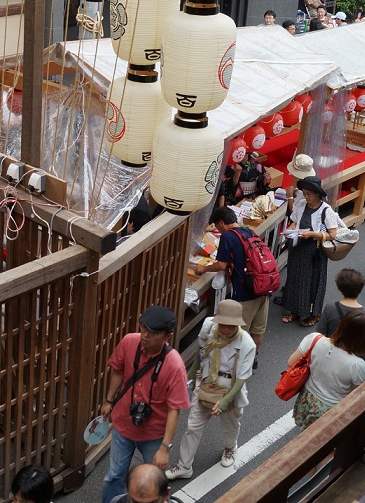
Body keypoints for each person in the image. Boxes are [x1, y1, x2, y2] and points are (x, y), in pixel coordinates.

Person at [99, 306, 189, 503]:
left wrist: (165, 448)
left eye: (154, 332)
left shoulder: (174, 365)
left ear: (168, 336)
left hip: (153, 434)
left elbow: (175, 409)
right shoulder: (129, 341)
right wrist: (108, 400)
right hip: (123, 424)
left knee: (154, 482)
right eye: (143, 328)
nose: (145, 335)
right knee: (114, 476)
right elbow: (118, 370)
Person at [164, 300, 256, 481]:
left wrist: (226, 401)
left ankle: (230, 448)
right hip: (207, 381)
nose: (227, 328)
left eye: (231, 325)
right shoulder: (209, 327)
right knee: (192, 427)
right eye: (223, 323)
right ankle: (184, 466)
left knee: (230, 425)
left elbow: (243, 377)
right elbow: (201, 351)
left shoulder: (247, 343)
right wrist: (189, 377)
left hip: (231, 387)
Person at [193, 207, 270, 365]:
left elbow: (221, 264)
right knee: (258, 329)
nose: (218, 229)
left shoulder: (228, 236)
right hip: (262, 286)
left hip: (246, 292)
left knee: (240, 331)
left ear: (221, 223)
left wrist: (204, 268)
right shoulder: (249, 232)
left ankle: (238, 363)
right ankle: (253, 357)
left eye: (217, 226)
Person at [289, 310, 365, 430]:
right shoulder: (357, 365)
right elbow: (360, 395)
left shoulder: (314, 339)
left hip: (308, 397)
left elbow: (291, 362)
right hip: (330, 409)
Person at [280, 176, 339, 326]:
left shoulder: (326, 210)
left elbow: (332, 234)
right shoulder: (300, 204)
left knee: (312, 282)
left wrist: (312, 234)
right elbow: (294, 221)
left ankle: (313, 313)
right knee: (294, 278)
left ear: (318, 194)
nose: (306, 197)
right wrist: (290, 230)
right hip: (298, 247)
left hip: (315, 252)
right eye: (304, 193)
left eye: (309, 194)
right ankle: (294, 310)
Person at [316, 268, 365, 345]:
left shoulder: (330, 308)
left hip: (332, 350)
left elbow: (319, 334)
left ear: (339, 288)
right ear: (361, 288)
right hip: (355, 353)